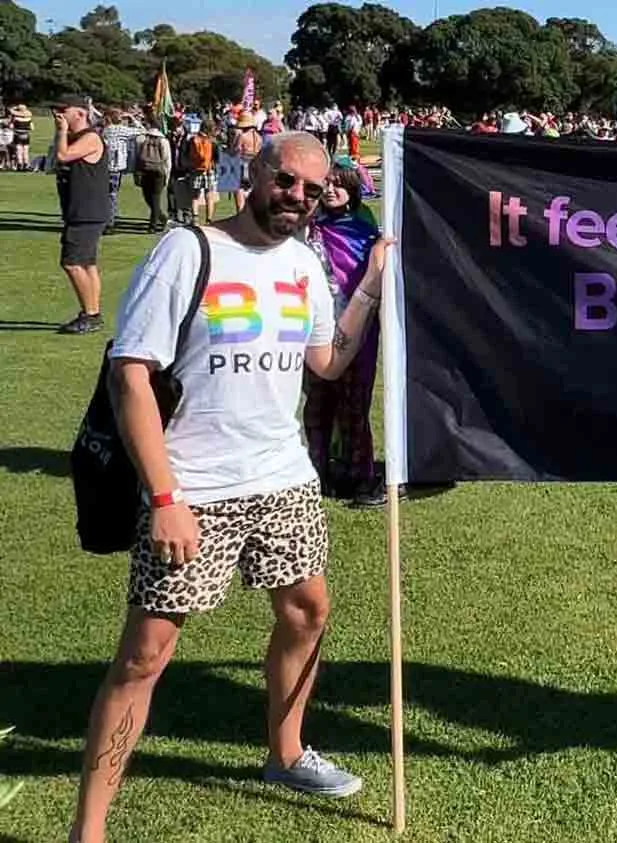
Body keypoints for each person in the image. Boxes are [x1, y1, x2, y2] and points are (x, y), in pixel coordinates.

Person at [68, 132, 390, 843]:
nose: (297, 198)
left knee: (309, 609)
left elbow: (328, 362)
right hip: (193, 489)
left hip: (282, 479)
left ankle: (285, 753)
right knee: (145, 654)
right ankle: (88, 829)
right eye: (285, 181)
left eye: (311, 189)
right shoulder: (187, 251)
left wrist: (370, 281)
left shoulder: (305, 261)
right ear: (254, 173)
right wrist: (164, 497)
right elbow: (131, 376)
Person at [303, 161, 384, 506]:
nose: (332, 190)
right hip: (315, 330)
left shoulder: (368, 234)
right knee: (318, 403)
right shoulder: (308, 230)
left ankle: (360, 476)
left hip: (357, 332)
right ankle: (316, 471)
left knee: (354, 404)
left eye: (341, 185)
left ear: (353, 190)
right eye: (327, 184)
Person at [52, 95, 110, 335]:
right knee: (87, 263)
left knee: (72, 262)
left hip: (86, 211)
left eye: (64, 111)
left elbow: (63, 156)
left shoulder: (91, 138)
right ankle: (91, 310)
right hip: (81, 209)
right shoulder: (77, 138)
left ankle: (91, 314)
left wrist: (62, 132)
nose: (59, 115)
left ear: (80, 113)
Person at [101, 108, 142, 234]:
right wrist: (132, 118)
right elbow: (142, 131)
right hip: (116, 168)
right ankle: (110, 222)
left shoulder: (106, 130)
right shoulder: (121, 130)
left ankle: (104, 219)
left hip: (104, 166)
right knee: (112, 195)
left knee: (105, 195)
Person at [133, 116, 172, 233]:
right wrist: (167, 175)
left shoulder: (141, 139)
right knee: (155, 199)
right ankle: (160, 221)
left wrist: (136, 172)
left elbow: (137, 156)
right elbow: (167, 160)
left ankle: (154, 224)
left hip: (145, 171)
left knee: (149, 198)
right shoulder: (163, 141)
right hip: (158, 172)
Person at [187, 122, 219, 224]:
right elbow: (217, 157)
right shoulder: (213, 142)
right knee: (209, 195)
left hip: (195, 170)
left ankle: (195, 218)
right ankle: (209, 220)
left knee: (194, 196)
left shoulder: (193, 140)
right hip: (209, 170)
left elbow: (188, 154)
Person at [232, 111, 264, 214]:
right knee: (250, 191)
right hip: (255, 166)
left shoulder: (242, 136)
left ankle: (240, 213)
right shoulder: (259, 137)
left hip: (243, 164)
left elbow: (236, 150)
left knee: (238, 189)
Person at [9, 103, 31, 171]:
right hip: (26, 135)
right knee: (26, 150)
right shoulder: (29, 118)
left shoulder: (16, 119)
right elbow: (32, 127)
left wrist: (14, 109)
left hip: (18, 135)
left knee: (19, 150)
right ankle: (26, 165)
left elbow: (11, 126)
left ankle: (19, 164)